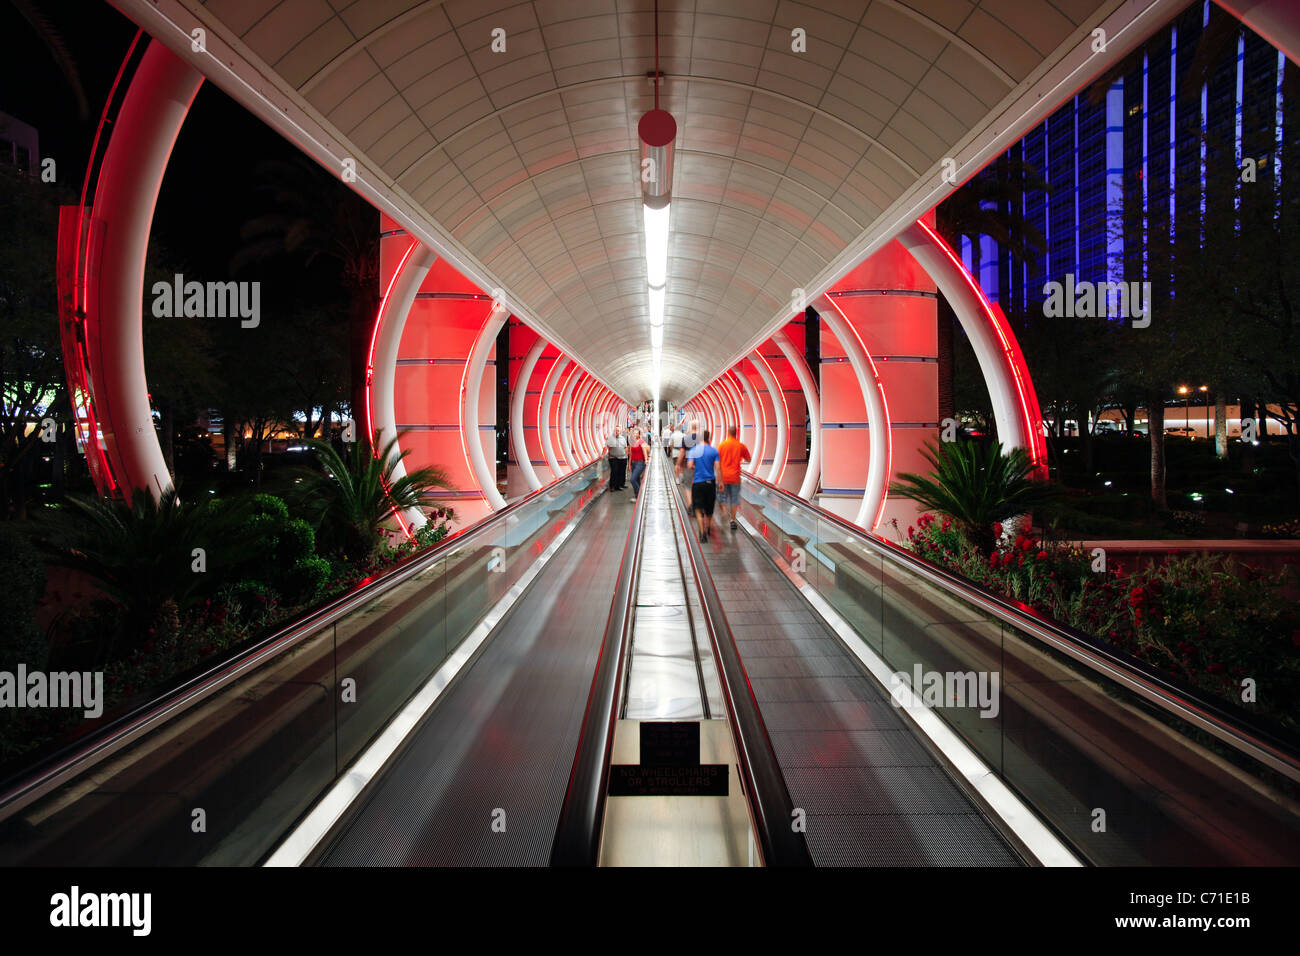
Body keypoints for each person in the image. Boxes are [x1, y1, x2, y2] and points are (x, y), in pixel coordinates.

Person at [684, 429, 721, 542]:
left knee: (698, 509)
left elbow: (690, 466)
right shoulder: (714, 451)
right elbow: (718, 468)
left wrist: (697, 468)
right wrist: (721, 482)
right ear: (709, 438)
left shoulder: (694, 451)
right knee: (709, 509)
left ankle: (702, 533)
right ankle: (708, 526)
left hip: (698, 483)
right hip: (710, 483)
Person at [715, 425, 751, 530]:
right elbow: (748, 459)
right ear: (736, 433)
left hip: (723, 477)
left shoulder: (721, 446)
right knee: (734, 500)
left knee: (721, 498)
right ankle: (733, 520)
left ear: (727, 433)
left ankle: (725, 513)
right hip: (735, 478)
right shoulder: (741, 446)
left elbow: (717, 462)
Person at [627, 428, 648, 499]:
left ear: (639, 434)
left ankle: (640, 496)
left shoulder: (641, 442)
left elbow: (645, 451)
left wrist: (646, 460)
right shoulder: (632, 443)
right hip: (633, 463)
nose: (635, 434)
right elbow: (631, 454)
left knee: (632, 479)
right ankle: (637, 496)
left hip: (640, 463)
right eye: (634, 433)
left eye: (636, 433)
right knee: (637, 479)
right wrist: (629, 464)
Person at [606, 425, 627, 491]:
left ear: (620, 431)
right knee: (614, 471)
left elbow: (625, 447)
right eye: (616, 430)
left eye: (618, 430)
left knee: (621, 472)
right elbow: (607, 447)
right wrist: (603, 454)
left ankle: (620, 485)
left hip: (622, 457)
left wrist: (626, 455)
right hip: (613, 458)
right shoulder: (610, 438)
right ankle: (612, 486)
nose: (617, 432)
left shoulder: (623, 438)